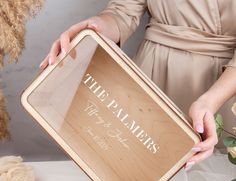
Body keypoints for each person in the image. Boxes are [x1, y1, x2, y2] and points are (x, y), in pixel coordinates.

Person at [39, 0, 236, 170]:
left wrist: (210, 101)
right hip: (152, 79)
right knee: (136, 178)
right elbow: (123, 12)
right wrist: (95, 28)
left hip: (222, 89)